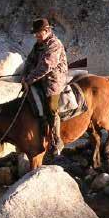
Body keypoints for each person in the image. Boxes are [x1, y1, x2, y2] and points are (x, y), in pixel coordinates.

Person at [21, 18, 68, 153]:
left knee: (51, 108)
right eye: (35, 33)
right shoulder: (38, 45)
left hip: (54, 80)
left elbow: (46, 65)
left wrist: (29, 80)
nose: (36, 36)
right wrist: (24, 76)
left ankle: (56, 140)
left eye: (38, 33)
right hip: (39, 78)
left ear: (47, 31)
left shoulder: (55, 45)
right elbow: (29, 61)